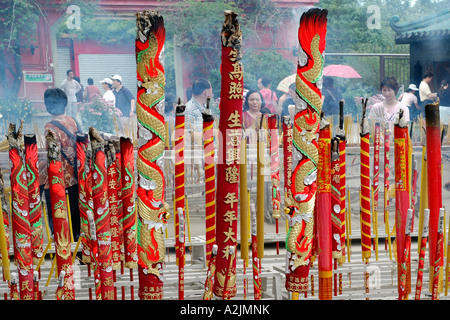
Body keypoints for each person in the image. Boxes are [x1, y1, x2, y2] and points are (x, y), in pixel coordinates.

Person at [39, 88, 82, 241]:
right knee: (75, 214)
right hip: (75, 176)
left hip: (58, 179)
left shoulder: (50, 126)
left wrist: (39, 165)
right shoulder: (72, 120)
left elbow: (53, 155)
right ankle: (77, 244)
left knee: (57, 214)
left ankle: (61, 243)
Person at [185, 77, 213, 181]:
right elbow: (188, 134)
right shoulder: (189, 109)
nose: (212, 94)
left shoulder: (206, 107)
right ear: (206, 92)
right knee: (198, 182)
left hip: (205, 151)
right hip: (194, 154)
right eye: (211, 91)